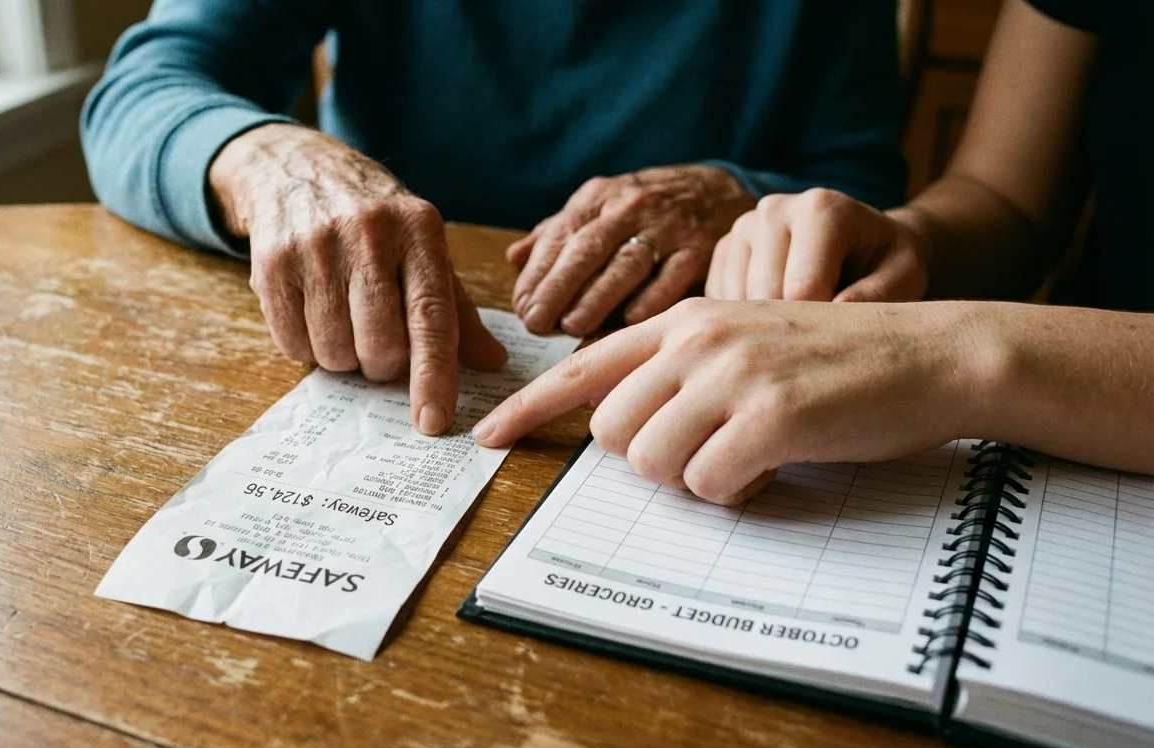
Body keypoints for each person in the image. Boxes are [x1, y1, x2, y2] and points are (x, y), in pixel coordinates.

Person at [81, 1, 907, 436]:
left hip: (682, 364)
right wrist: (272, 162)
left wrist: (740, 190)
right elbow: (142, 92)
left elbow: (859, 187)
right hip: (380, 340)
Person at [473, 0, 1154, 503]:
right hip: (1055, 458)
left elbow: (965, 341)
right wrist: (907, 241)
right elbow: (1008, 203)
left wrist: (963, 355)